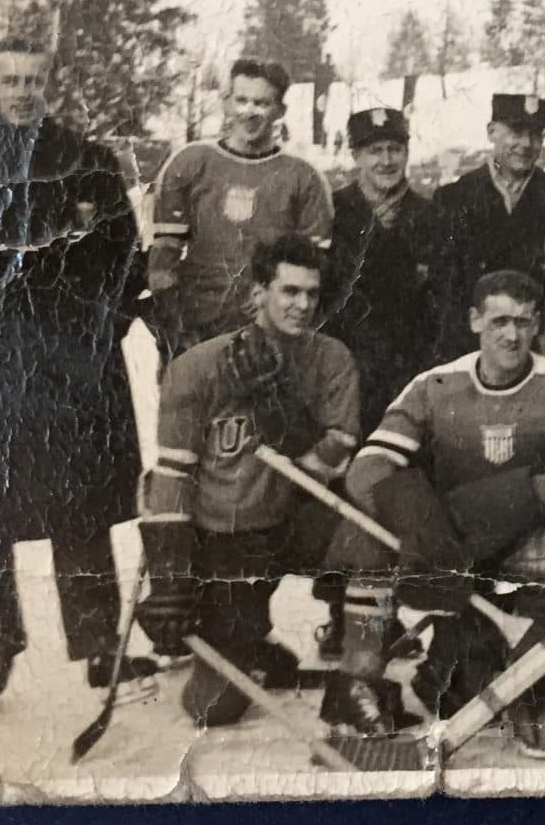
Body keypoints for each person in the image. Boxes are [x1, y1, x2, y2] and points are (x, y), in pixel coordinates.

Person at [0, 37, 155, 698]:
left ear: (51, 83)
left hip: (70, 368)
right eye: (10, 79)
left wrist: (100, 336)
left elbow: (126, 262)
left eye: (33, 79)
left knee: (80, 507)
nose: (21, 90)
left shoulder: (90, 164)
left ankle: (100, 645)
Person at [322, 269, 545, 751]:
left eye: (522, 321)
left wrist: (456, 518)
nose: (511, 334)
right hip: (454, 554)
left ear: (537, 324)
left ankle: (537, 687)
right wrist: (422, 526)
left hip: (526, 551)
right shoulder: (436, 384)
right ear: (474, 321)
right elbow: (367, 469)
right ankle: (359, 680)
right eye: (498, 321)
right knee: (368, 530)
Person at [134, 235, 360, 728]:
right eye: (289, 291)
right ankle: (244, 641)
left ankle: (361, 664)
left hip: (297, 516)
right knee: (215, 708)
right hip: (229, 535)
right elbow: (171, 474)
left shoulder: (332, 359)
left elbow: (337, 457)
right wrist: (171, 578)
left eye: (311, 294)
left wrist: (282, 416)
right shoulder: (196, 367)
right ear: (258, 292)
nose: (302, 306)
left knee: (368, 533)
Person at [147, 58, 333, 358]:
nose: (249, 112)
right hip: (194, 331)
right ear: (226, 103)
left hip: (269, 336)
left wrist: (269, 296)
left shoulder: (303, 176)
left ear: (280, 110)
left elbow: (313, 270)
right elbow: (162, 261)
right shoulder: (189, 162)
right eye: (241, 100)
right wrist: (176, 327)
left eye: (262, 103)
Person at [323, 107, 440, 434]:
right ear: (356, 156)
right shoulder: (332, 213)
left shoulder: (431, 216)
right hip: (347, 367)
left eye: (395, 150)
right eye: (375, 151)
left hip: (409, 369)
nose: (386, 161)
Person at [431, 94, 545, 362]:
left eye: (536, 135)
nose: (526, 144)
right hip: (471, 343)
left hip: (534, 343)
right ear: (491, 132)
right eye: (516, 132)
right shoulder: (454, 198)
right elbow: (444, 286)